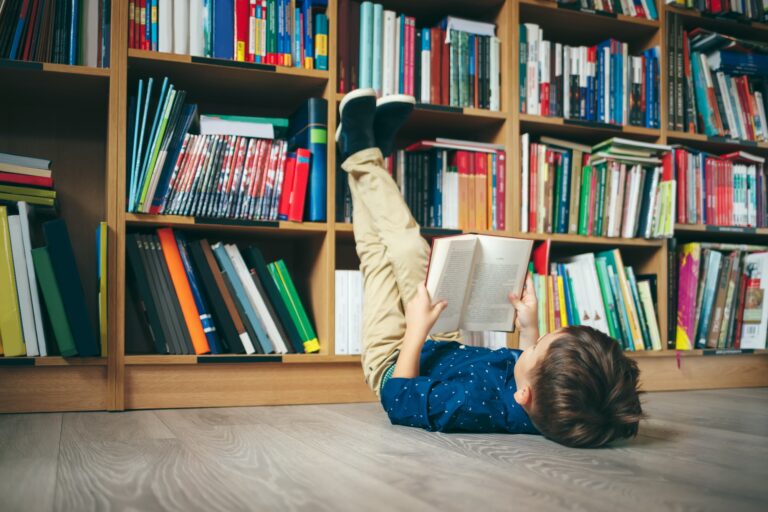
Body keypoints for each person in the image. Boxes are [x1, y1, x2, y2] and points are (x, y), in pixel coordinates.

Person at [337, 89, 643, 448]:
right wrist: (528, 328)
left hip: (393, 356)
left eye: (536, 345)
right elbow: (529, 367)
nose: (532, 343)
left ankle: (362, 153)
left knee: (380, 253)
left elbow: (399, 399)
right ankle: (362, 153)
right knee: (404, 246)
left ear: (523, 396)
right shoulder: (545, 403)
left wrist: (416, 331)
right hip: (441, 337)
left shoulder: (469, 408)